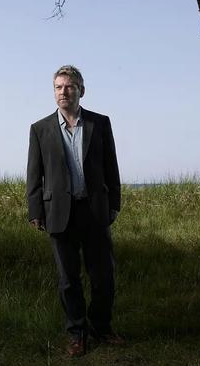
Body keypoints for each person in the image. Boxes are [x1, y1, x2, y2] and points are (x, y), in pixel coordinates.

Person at [26, 65, 123, 357]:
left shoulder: (99, 123)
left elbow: (111, 166)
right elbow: (34, 174)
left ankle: (101, 327)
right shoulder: (40, 129)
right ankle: (77, 333)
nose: (63, 92)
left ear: (81, 90)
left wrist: (114, 204)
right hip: (59, 213)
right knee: (68, 280)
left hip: (94, 211)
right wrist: (35, 211)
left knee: (103, 276)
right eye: (58, 87)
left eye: (69, 86)